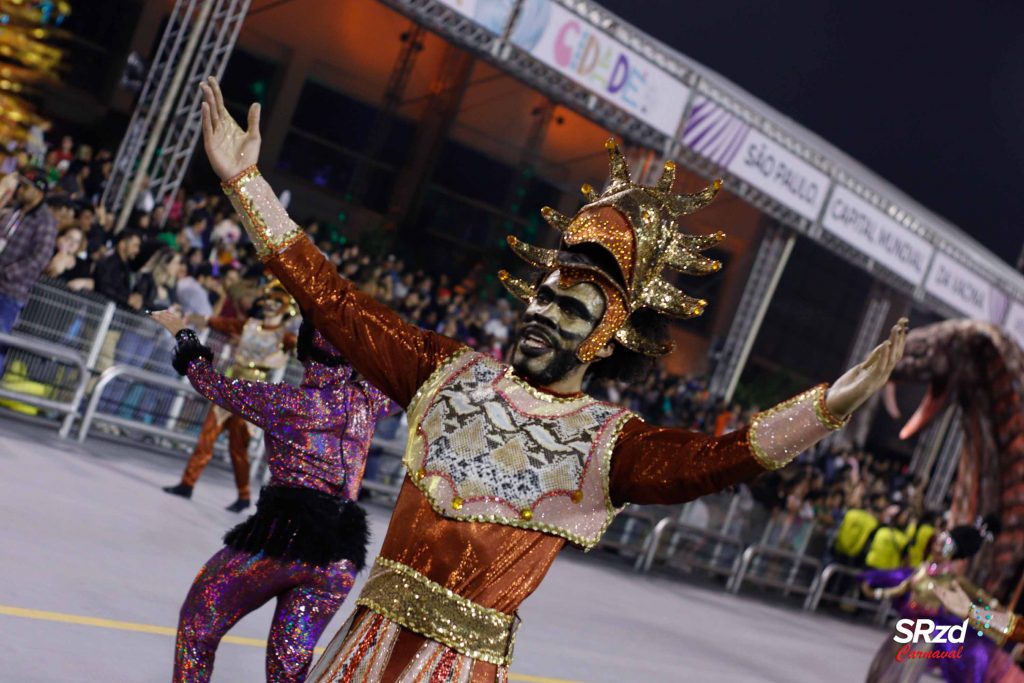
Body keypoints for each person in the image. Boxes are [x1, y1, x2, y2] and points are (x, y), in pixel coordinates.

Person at [199, 76, 908, 681]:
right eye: (540, 295)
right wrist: (246, 183)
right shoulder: (449, 373)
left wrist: (828, 407)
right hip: (356, 656)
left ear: (611, 337)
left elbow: (718, 459)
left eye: (569, 306)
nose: (539, 311)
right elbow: (336, 302)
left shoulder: (606, 445)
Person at [151, 309, 392, 682]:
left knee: (198, 623)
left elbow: (207, 381)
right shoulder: (369, 402)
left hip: (284, 541)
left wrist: (183, 334)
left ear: (301, 351)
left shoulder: (285, 402)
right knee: (288, 668)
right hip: (338, 560)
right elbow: (408, 381)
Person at [163, 283, 297, 511]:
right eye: (268, 301)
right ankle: (187, 483)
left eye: (276, 303)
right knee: (207, 435)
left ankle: (244, 496)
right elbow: (218, 323)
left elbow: (310, 349)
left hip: (254, 394)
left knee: (238, 447)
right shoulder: (249, 325)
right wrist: (188, 319)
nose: (269, 306)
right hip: (231, 386)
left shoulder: (285, 337)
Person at [861, 517, 1024, 683]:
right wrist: (878, 593)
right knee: (884, 668)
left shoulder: (953, 581)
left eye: (942, 545)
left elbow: (984, 599)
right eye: (936, 543)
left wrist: (998, 613)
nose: (936, 547)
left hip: (928, 634)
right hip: (906, 627)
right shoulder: (923, 571)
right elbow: (902, 587)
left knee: (908, 670)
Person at [0, 168, 58, 373]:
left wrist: (7, 272)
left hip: (10, 292)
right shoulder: (14, 210)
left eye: (25, 186)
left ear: (38, 191)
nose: (20, 190)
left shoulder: (46, 221)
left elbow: (40, 258)